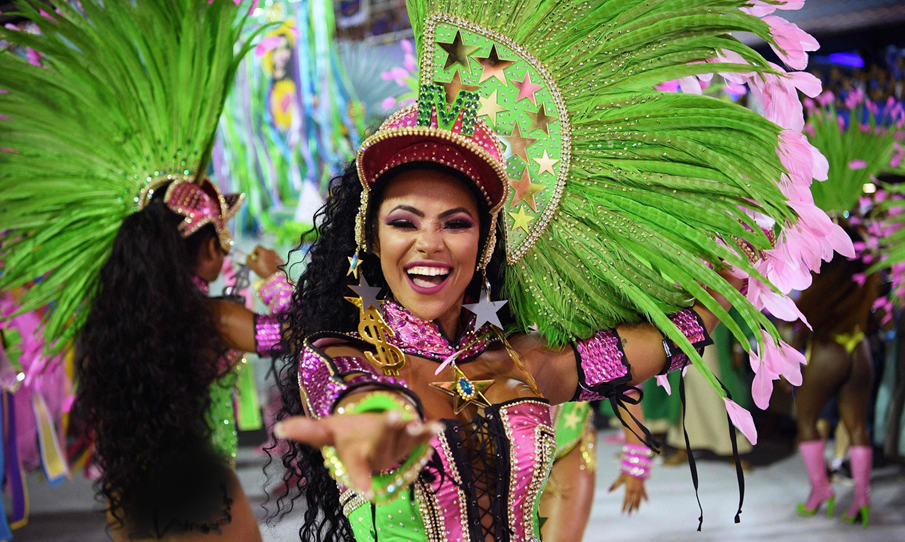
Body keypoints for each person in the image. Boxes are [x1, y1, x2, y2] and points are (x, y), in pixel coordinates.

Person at [0, 0, 291, 539]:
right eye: (222, 239)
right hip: (204, 493)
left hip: (129, 497)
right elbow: (300, 337)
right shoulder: (215, 319)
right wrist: (275, 278)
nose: (228, 253)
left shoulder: (110, 321)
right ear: (203, 249)